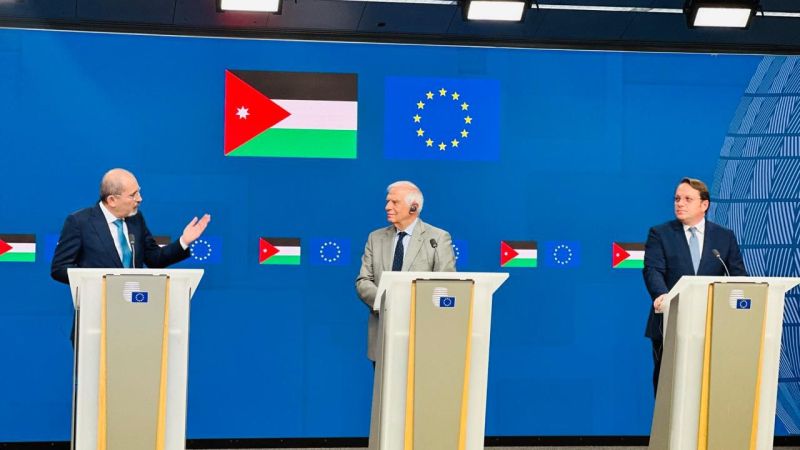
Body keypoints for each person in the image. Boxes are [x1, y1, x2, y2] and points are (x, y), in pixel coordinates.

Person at [643, 177, 747, 393]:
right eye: (677, 199)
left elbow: (737, 276)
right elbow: (653, 270)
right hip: (669, 323)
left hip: (713, 324)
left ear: (704, 204)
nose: (680, 204)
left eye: (687, 199)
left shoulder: (724, 237)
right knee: (669, 387)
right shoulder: (660, 234)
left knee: (708, 386)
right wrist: (662, 295)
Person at [51, 168, 211, 284]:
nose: (140, 199)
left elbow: (155, 260)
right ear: (112, 200)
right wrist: (97, 281)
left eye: (139, 192)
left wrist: (184, 241)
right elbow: (59, 269)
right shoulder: (80, 222)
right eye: (133, 195)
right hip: (95, 308)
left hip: (134, 305)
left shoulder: (136, 219)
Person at [356, 181, 456, 362]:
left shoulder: (437, 238)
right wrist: (388, 303)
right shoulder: (375, 238)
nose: (387, 207)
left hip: (423, 336)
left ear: (414, 207)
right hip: (382, 334)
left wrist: (409, 306)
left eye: (395, 202)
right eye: (387, 201)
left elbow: (445, 285)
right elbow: (363, 281)